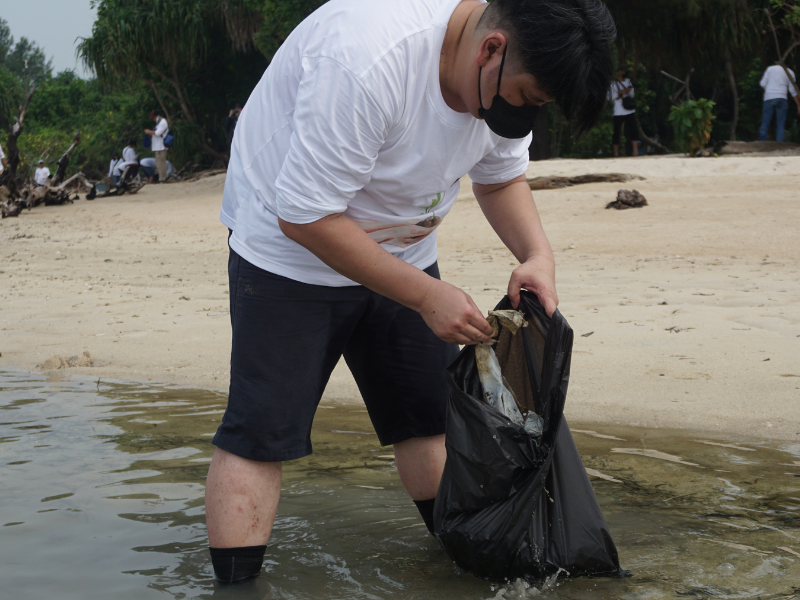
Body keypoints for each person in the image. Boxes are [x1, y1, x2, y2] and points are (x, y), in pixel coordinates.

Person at [207, 0, 615, 584]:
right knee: (260, 433)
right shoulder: (368, 59)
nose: (518, 114)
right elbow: (304, 215)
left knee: (427, 419)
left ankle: (456, 570)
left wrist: (536, 256)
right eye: (523, 98)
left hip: (405, 250)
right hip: (289, 251)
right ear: (491, 49)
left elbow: (500, 177)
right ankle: (235, 589)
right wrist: (426, 297)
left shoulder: (501, 80)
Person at [759, 63, 800, 142]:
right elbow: (792, 91)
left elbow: (762, 84)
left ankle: (762, 143)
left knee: (765, 122)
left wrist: (768, 91)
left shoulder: (770, 69)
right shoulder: (790, 72)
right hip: (782, 98)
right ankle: (779, 145)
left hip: (769, 98)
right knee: (780, 123)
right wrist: (798, 105)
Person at [607, 68, 638, 157]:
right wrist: (619, 92)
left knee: (633, 130)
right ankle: (616, 153)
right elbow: (609, 98)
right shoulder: (613, 83)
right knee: (617, 131)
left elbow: (632, 95)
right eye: (622, 71)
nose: (624, 72)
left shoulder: (629, 81)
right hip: (618, 110)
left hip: (629, 109)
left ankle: (635, 152)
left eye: (625, 71)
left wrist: (629, 90)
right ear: (619, 72)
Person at [144, 110, 169, 182]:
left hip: (161, 146)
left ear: (158, 116)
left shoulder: (163, 122)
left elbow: (158, 133)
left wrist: (149, 131)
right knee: (158, 163)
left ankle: (163, 178)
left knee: (162, 162)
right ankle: (161, 177)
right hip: (157, 146)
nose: (154, 120)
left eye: (154, 118)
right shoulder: (159, 123)